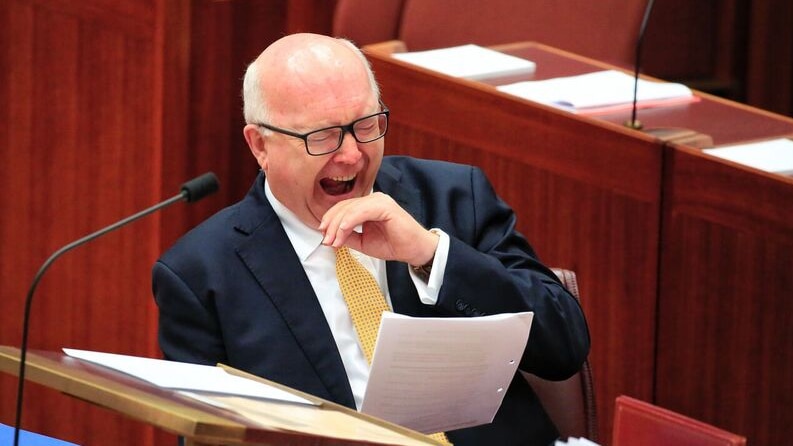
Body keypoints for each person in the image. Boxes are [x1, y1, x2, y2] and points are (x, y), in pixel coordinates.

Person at [153, 33, 590, 445]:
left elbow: (563, 346)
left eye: (366, 124)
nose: (352, 154)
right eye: (321, 135)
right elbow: (209, 434)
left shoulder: (454, 197)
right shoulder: (203, 275)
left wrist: (430, 255)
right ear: (260, 145)